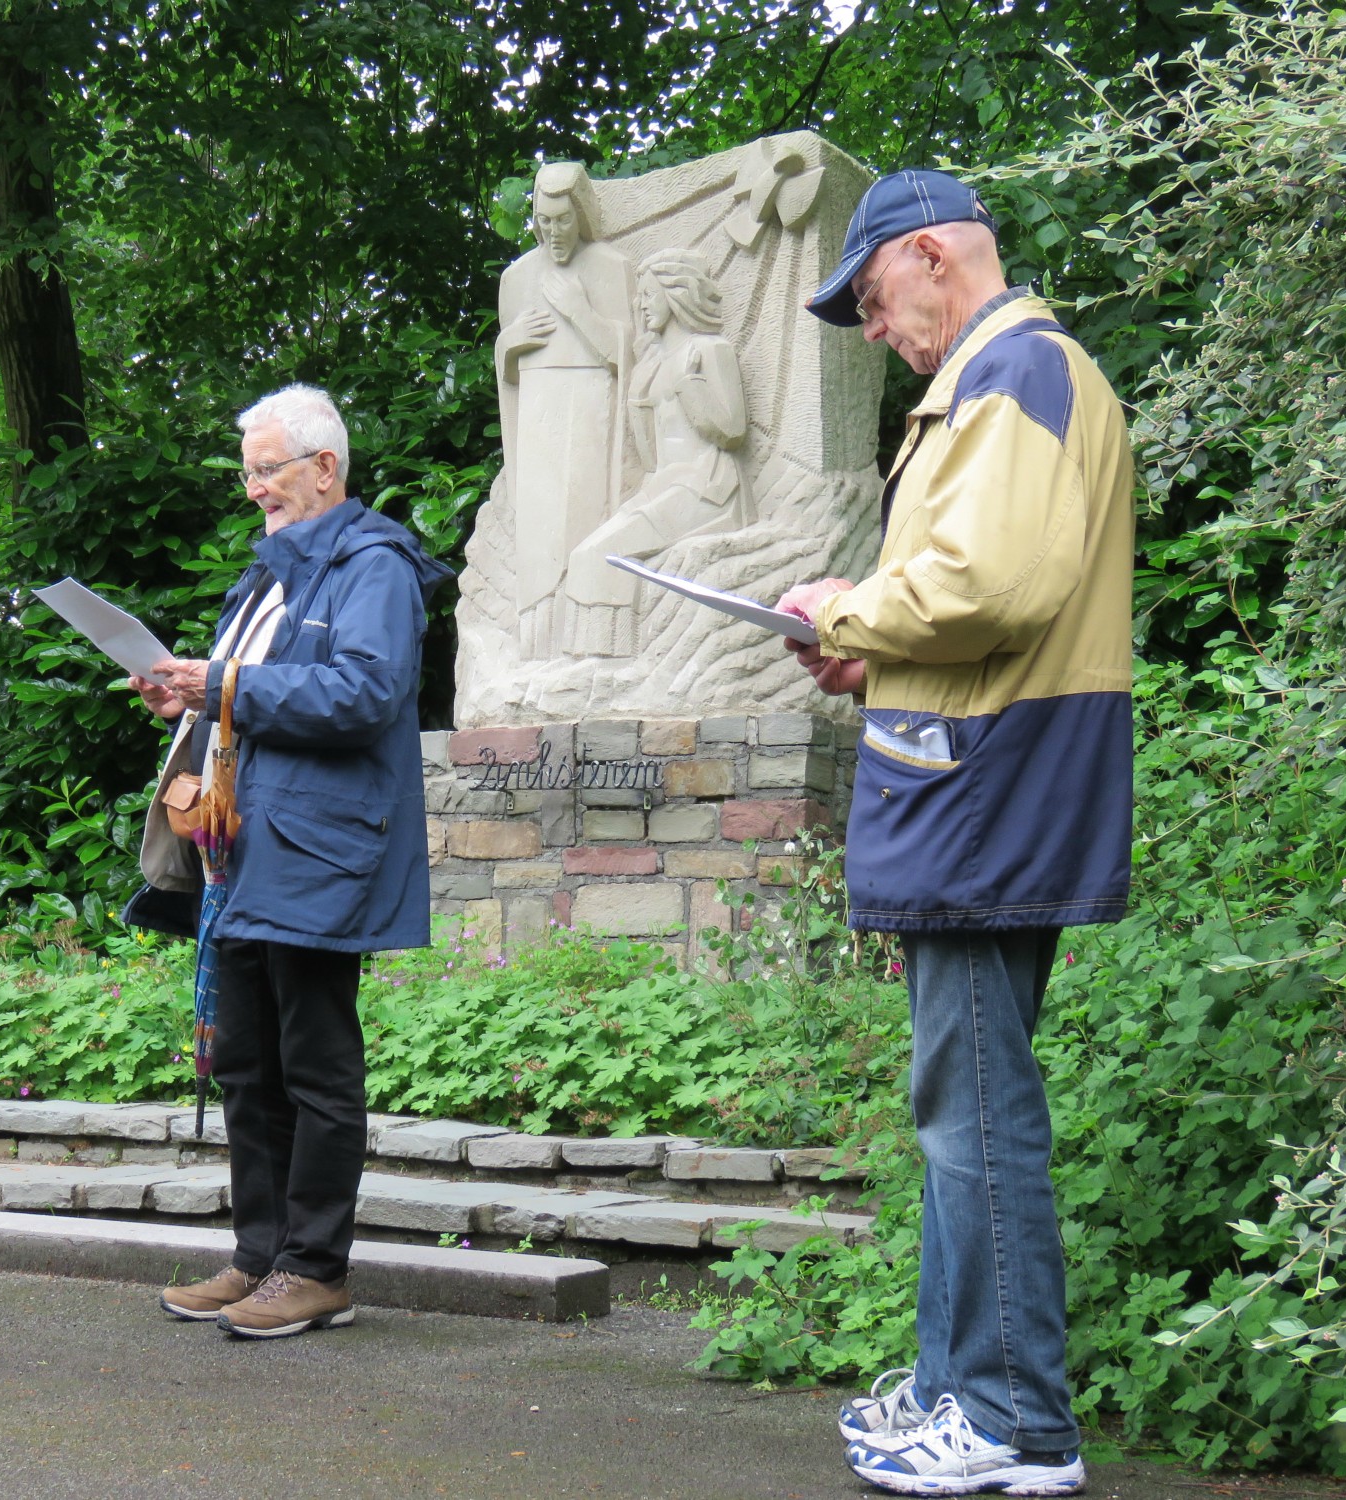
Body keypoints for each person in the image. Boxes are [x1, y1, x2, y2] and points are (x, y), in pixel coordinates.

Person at [778, 169, 1135, 1494]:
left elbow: (994, 581)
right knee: (959, 1107)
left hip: (988, 798)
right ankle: (951, 1393)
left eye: (872, 300)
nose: (873, 330)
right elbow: (996, 609)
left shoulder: (1013, 374)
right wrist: (876, 660)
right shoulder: (1002, 379)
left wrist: (845, 610)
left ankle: (1012, 1426)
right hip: (979, 781)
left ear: (931, 256)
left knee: (975, 1115)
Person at [131, 383, 451, 1339]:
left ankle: (317, 1270)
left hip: (320, 850)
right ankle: (258, 1257)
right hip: (242, 850)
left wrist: (221, 683)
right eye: (247, 474)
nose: (254, 491)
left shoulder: (375, 566)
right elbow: (254, 697)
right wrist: (187, 695)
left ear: (325, 467)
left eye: (268, 471)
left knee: (314, 1063)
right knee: (244, 1064)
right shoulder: (267, 576)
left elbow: (361, 694)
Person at [562, 248, 751, 657]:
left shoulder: (710, 350)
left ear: (676, 293)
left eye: (649, 294)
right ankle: (597, 661)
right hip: (665, 485)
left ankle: (604, 661)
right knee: (584, 556)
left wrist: (690, 384)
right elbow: (650, 455)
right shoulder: (651, 363)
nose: (642, 305)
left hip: (708, 489)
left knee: (600, 555)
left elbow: (733, 430)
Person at [495, 162, 636, 659]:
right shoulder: (516, 278)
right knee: (538, 534)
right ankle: (535, 654)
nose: (552, 232)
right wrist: (509, 343)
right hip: (537, 409)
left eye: (562, 219)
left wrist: (579, 311)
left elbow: (626, 355)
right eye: (542, 220)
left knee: (581, 523)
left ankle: (581, 648)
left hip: (590, 405)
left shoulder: (610, 267)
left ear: (581, 216)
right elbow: (507, 375)